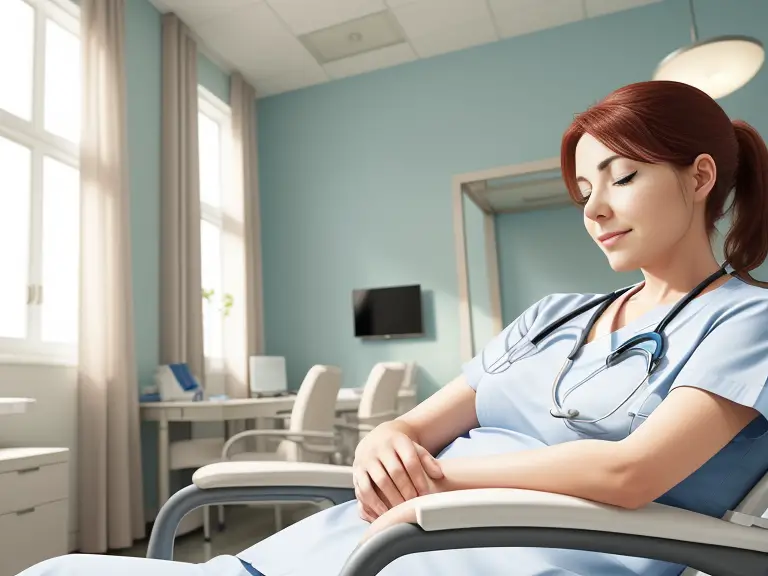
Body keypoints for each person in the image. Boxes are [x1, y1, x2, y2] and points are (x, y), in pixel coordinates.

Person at [22, 80, 768, 576]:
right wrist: (384, 444)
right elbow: (411, 427)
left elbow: (628, 473)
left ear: (699, 178)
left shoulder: (746, 319)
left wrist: (434, 482)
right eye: (583, 189)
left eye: (622, 177)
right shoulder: (553, 318)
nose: (594, 209)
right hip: (356, 546)